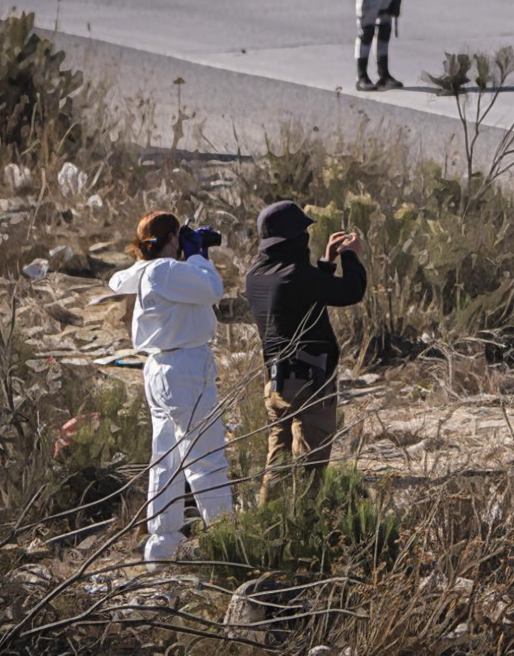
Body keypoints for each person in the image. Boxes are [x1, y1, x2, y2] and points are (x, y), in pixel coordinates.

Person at [108, 211, 233, 566]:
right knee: (205, 459)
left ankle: (162, 545)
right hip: (184, 368)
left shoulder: (149, 271)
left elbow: (119, 279)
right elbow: (213, 289)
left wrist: (192, 255)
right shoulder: (166, 271)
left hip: (161, 369)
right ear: (171, 239)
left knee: (167, 458)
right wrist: (195, 255)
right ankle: (228, 542)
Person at [244, 201, 367, 503]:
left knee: (277, 465)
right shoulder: (296, 275)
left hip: (275, 385)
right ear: (295, 239)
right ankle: (304, 528)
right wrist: (351, 257)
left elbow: (307, 295)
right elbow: (350, 291)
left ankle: (265, 524)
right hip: (309, 386)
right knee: (309, 470)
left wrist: (327, 261)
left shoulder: (257, 274)